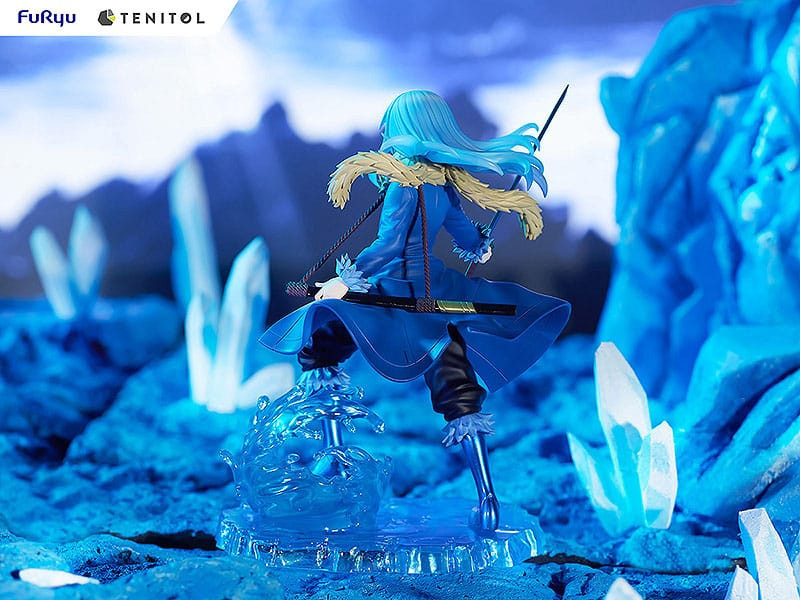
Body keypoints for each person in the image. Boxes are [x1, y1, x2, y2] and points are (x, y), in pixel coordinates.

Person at [261, 90, 570, 531]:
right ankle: (487, 497)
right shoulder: (443, 184)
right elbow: (466, 236)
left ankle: (335, 456)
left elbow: (387, 246)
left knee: (320, 346)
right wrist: (479, 245)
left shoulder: (404, 184)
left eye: (390, 125)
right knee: (457, 390)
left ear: (406, 128)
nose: (385, 133)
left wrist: (344, 281)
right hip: (431, 297)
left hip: (389, 294)